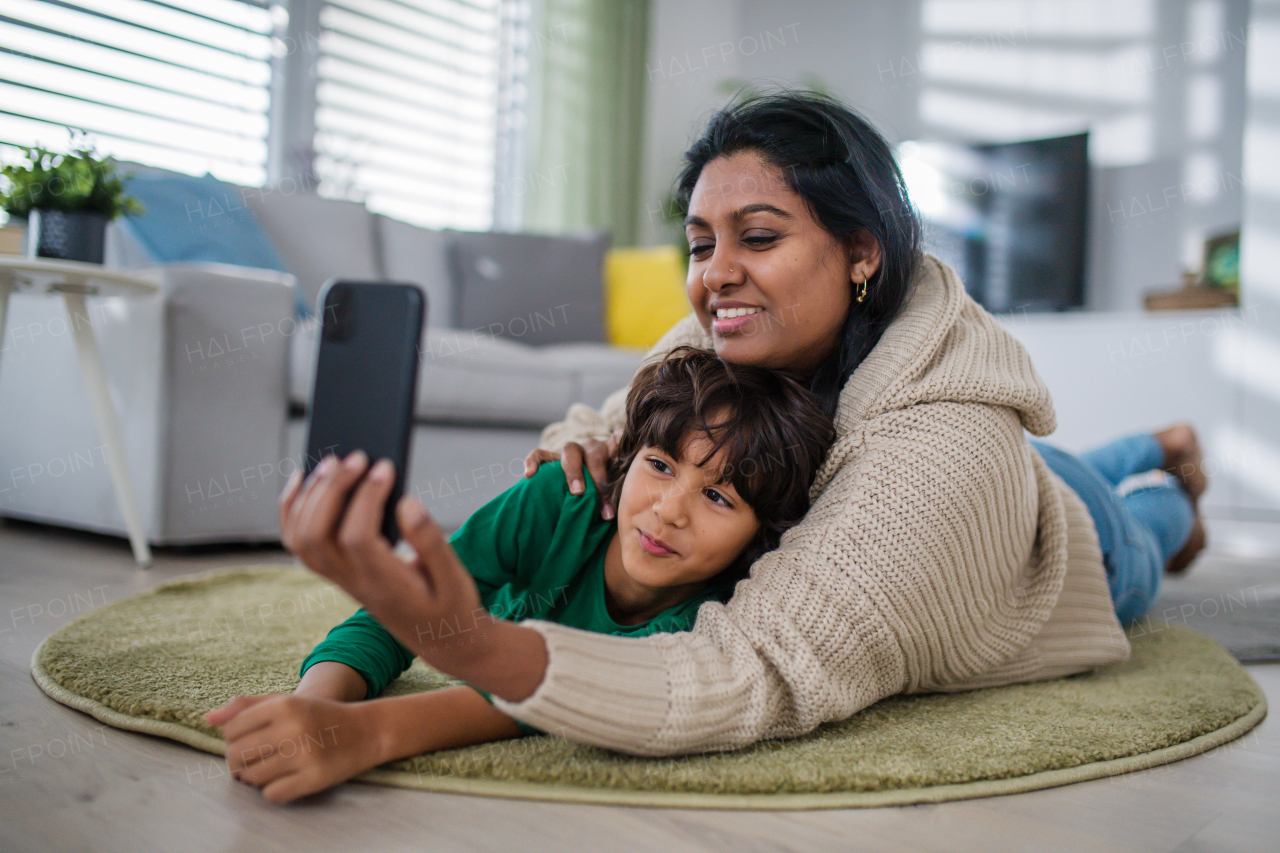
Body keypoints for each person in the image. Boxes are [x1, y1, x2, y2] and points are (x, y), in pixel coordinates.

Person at [240, 90, 1206, 776]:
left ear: (860, 251)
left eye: (759, 235)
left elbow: (753, 671)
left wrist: (474, 646)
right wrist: (578, 441)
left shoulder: (937, 460)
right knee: (1082, 455)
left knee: (1138, 526)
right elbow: (629, 411)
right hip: (990, 467)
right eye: (701, 244)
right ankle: (1147, 442)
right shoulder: (724, 327)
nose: (715, 275)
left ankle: (1169, 480)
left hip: (1049, 543)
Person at [204, 346, 835, 804]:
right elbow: (395, 617)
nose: (669, 511)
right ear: (623, 457)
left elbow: (532, 706)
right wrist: (314, 708)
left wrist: (360, 735)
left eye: (719, 498)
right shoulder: (559, 502)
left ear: (761, 539)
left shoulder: (712, 626)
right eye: (661, 465)